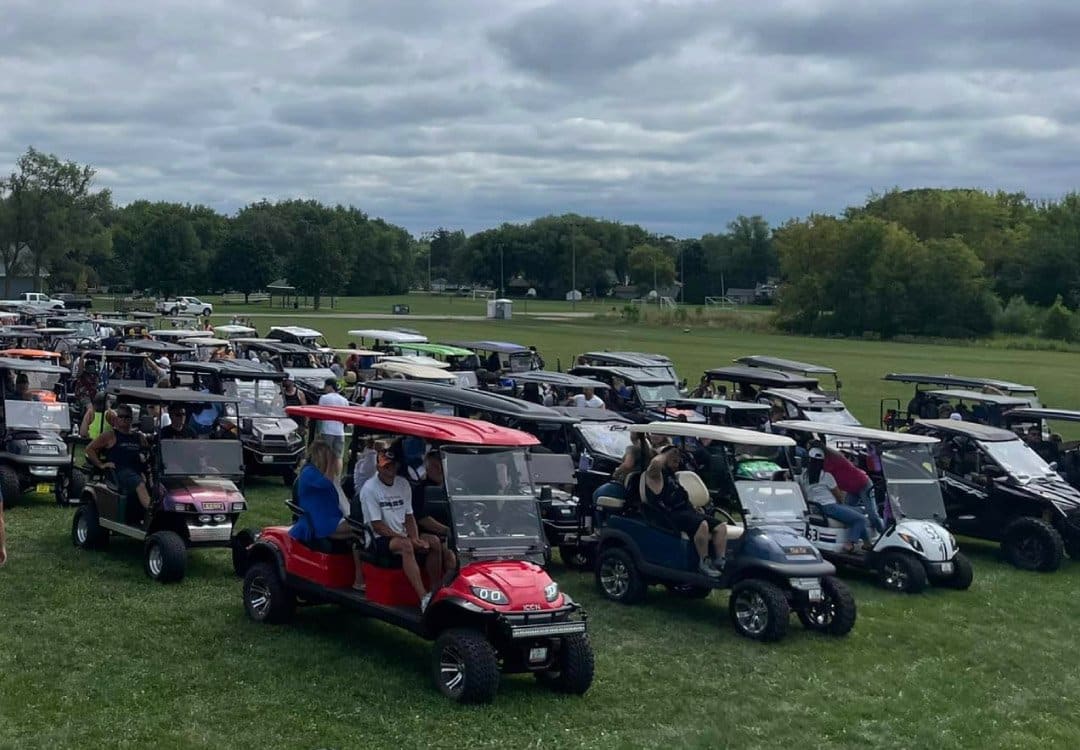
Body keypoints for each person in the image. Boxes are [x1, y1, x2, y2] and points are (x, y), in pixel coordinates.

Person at [360, 446, 445, 610]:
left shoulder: (403, 484)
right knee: (406, 546)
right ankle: (423, 598)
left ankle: (436, 591)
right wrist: (406, 539)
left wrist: (414, 537)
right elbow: (377, 526)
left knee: (433, 541)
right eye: (386, 465)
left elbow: (409, 516)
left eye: (392, 465)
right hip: (378, 539)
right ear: (378, 467)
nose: (390, 468)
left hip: (402, 534)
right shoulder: (370, 489)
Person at [289, 441, 364, 590]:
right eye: (327, 457)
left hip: (331, 517)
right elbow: (326, 483)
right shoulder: (308, 473)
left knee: (360, 533)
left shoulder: (318, 473)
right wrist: (331, 463)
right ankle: (359, 580)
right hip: (319, 521)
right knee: (360, 530)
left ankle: (359, 578)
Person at [642, 445, 727, 577]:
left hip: (686, 512)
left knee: (721, 527)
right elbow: (656, 462)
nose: (678, 463)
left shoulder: (673, 476)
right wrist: (668, 453)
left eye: (678, 460)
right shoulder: (656, 475)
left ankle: (720, 561)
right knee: (702, 524)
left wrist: (694, 508)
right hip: (670, 515)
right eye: (675, 460)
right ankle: (704, 561)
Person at [799, 443, 871, 552]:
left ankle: (867, 543)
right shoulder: (826, 476)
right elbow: (839, 496)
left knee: (858, 512)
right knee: (861, 519)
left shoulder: (804, 476)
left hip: (817, 508)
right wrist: (842, 504)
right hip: (830, 507)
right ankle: (850, 543)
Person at [86, 404, 152, 512]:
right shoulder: (110, 435)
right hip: (120, 471)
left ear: (132, 419)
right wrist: (101, 464)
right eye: (121, 416)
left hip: (138, 470)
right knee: (139, 483)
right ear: (116, 418)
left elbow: (148, 452)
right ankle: (152, 512)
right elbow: (90, 449)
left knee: (157, 483)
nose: (124, 419)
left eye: (127, 417)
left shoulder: (138, 437)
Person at [824, 447, 884, 534]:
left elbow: (833, 453)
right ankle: (859, 533)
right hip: (851, 489)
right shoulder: (825, 468)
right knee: (848, 513)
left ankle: (882, 534)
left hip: (864, 484)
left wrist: (822, 446)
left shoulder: (840, 461)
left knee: (872, 514)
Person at [317, 377, 349, 457]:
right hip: (340, 432)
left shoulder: (324, 398)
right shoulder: (344, 400)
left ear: (330, 386)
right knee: (338, 457)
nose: (324, 388)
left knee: (325, 455)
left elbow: (319, 415)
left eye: (325, 386)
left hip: (327, 430)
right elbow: (346, 418)